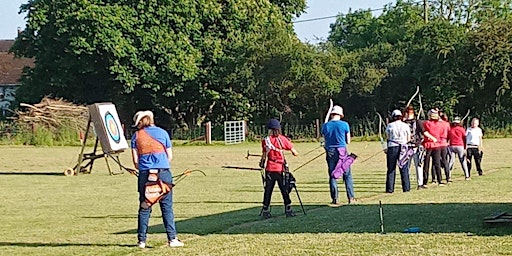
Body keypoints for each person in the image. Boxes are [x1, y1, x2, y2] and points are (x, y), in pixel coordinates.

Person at [131, 110, 184, 248]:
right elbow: (170, 156)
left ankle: (141, 241)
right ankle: (172, 239)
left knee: (145, 206)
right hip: (163, 174)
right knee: (166, 207)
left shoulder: (136, 136)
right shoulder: (163, 133)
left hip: (145, 175)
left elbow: (135, 162)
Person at [259, 119, 299, 219]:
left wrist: (261, 163)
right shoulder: (283, 139)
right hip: (280, 169)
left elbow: (264, 156)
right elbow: (295, 152)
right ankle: (288, 210)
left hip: (269, 168)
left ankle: (266, 210)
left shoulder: (265, 141)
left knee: (268, 190)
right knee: (284, 190)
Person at [322, 105, 356, 205]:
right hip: (342, 151)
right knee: (347, 175)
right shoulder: (344, 124)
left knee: (333, 174)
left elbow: (323, 140)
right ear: (340, 115)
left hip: (330, 151)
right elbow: (348, 141)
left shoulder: (325, 125)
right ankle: (351, 197)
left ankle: (335, 198)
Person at [385, 109, 412, 193]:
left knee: (391, 168)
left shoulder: (390, 125)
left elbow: (388, 137)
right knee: (404, 167)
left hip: (393, 147)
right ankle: (406, 188)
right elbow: (409, 138)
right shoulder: (406, 125)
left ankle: (390, 189)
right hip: (403, 147)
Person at [403, 106, 426, 189]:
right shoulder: (403, 123)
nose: (409, 114)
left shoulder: (417, 122)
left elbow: (423, 132)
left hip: (417, 146)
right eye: (408, 113)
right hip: (406, 147)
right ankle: (406, 184)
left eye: (411, 113)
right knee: (406, 166)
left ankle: (420, 183)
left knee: (419, 165)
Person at [422, 109, 447, 186]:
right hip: (437, 145)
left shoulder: (427, 123)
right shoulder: (440, 124)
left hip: (428, 144)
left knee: (426, 164)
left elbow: (423, 131)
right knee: (437, 163)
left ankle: (425, 181)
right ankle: (440, 180)